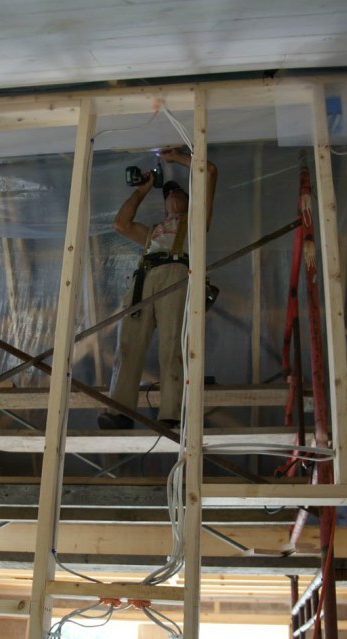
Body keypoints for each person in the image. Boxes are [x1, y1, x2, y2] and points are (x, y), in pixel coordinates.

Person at [98, 147, 217, 430]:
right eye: (168, 194)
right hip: (145, 278)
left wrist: (176, 159)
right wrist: (141, 192)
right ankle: (120, 410)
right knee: (127, 344)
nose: (171, 196)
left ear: (190, 200)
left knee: (171, 344)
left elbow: (210, 172)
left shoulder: (196, 222)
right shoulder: (154, 231)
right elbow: (120, 224)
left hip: (177, 272)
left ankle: (171, 413)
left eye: (178, 193)